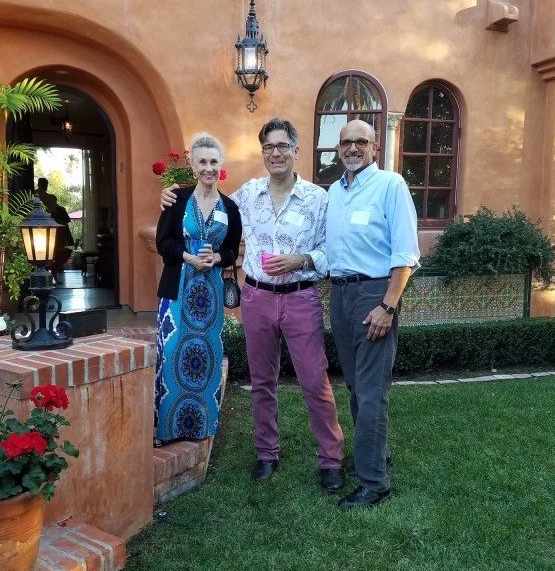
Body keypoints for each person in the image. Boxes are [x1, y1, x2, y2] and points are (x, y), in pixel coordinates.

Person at [163, 119, 345, 493]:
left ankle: (331, 459)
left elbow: (333, 251)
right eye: (268, 147)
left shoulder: (318, 198)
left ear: (295, 150)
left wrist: (301, 259)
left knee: (315, 381)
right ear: (263, 153)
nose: (275, 153)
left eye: (282, 146)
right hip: (257, 297)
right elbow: (207, 198)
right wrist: (172, 195)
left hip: (301, 297)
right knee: (262, 381)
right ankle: (266, 452)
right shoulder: (247, 195)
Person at [327, 119, 420, 509]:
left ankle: (374, 482)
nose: (352, 148)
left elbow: (405, 254)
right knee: (354, 385)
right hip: (340, 294)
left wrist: (388, 305)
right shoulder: (334, 192)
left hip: (373, 294)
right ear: (338, 148)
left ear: (375, 147)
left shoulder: (390, 185)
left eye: (360, 142)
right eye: (346, 142)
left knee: (370, 391)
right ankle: (373, 455)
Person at [154, 133, 242, 444]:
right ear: (192, 165)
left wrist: (217, 257)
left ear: (221, 165)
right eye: (202, 161)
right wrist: (188, 257)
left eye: (213, 161)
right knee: (170, 355)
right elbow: (162, 242)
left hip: (210, 296)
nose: (208, 168)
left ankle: (199, 426)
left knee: (205, 357)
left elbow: (232, 250)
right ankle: (166, 430)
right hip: (177, 292)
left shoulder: (230, 207)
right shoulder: (175, 199)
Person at [35, 178, 73, 281]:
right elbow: (53, 214)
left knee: (49, 252)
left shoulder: (34, 196)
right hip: (52, 232)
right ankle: (51, 271)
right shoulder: (49, 198)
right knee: (55, 252)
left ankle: (47, 272)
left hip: (45, 231)